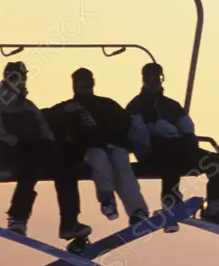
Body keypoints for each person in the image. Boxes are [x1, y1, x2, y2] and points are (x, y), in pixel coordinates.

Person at [0, 61, 92, 240]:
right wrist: (17, 141)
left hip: (34, 152)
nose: (20, 82)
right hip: (9, 153)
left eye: (22, 78)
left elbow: (43, 126)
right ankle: (18, 218)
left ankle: (69, 223)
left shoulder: (28, 106)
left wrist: (47, 142)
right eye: (15, 78)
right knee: (29, 168)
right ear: (7, 79)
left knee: (66, 168)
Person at [126, 62, 219, 232]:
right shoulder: (136, 107)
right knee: (170, 153)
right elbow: (137, 136)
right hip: (154, 154)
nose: (156, 83)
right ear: (145, 80)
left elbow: (187, 128)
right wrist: (156, 134)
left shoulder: (172, 106)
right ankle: (170, 202)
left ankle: (213, 208)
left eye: (158, 79)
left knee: (215, 161)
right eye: (152, 80)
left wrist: (187, 138)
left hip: (182, 151)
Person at [45, 68, 151, 225]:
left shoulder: (107, 105)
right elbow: (44, 117)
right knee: (99, 160)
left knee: (121, 163)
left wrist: (104, 130)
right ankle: (108, 200)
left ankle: (137, 210)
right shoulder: (68, 108)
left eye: (86, 84)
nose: (84, 88)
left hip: (112, 145)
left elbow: (123, 123)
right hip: (89, 149)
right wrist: (64, 114)